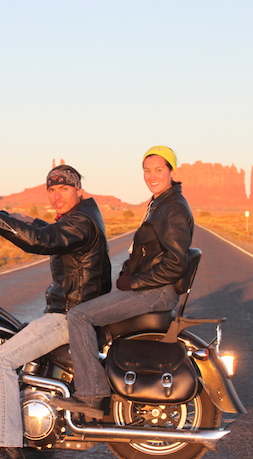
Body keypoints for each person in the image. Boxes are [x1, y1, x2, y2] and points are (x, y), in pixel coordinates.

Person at [0, 164, 111, 459]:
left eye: (64, 189)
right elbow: (39, 226)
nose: (57, 196)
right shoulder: (81, 215)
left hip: (70, 316)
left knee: (0, 361)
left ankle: (9, 452)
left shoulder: (81, 221)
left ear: (77, 189)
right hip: (71, 311)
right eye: (52, 191)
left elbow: (40, 240)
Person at [51, 146, 194, 419]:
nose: (151, 176)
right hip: (151, 288)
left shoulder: (172, 207)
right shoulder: (161, 202)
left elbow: (176, 264)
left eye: (158, 170)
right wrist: (128, 274)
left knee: (79, 316)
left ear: (171, 172)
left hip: (156, 292)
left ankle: (92, 396)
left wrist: (136, 282)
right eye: (147, 170)